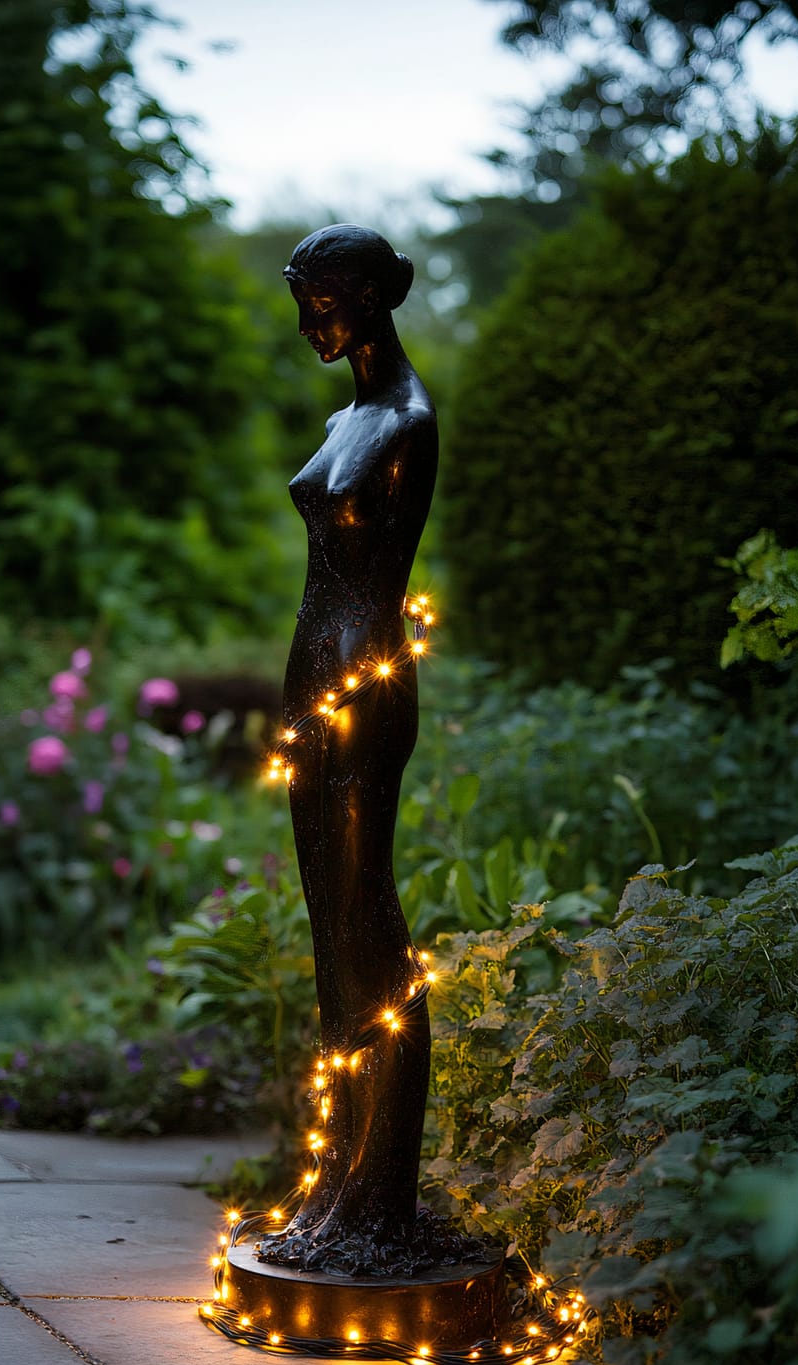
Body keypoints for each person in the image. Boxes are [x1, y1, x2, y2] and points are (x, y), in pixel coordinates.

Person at [258, 225, 445, 1275]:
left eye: (322, 301)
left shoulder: (408, 420)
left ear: (373, 298)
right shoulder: (348, 415)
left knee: (368, 921)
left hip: (365, 683)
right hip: (312, 676)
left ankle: (383, 1194)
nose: (306, 323)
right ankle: (335, 1179)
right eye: (302, 299)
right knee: (328, 931)